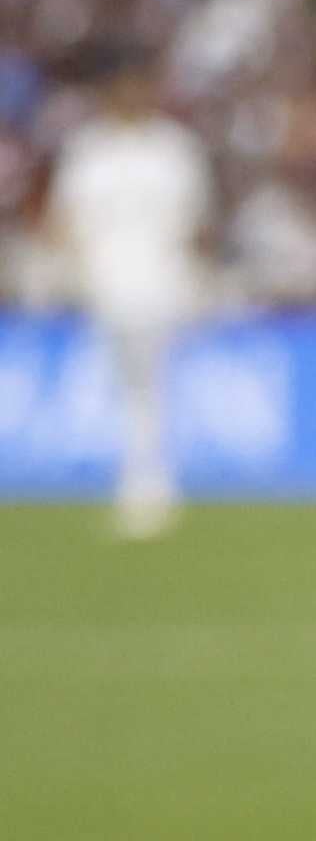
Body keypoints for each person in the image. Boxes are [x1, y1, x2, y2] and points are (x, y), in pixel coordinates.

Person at [47, 69, 209, 540]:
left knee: (149, 385)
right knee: (128, 387)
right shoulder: (90, 151)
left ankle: (148, 485)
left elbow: (195, 221)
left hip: (161, 284)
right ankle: (141, 480)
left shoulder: (173, 148)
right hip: (106, 286)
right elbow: (68, 219)